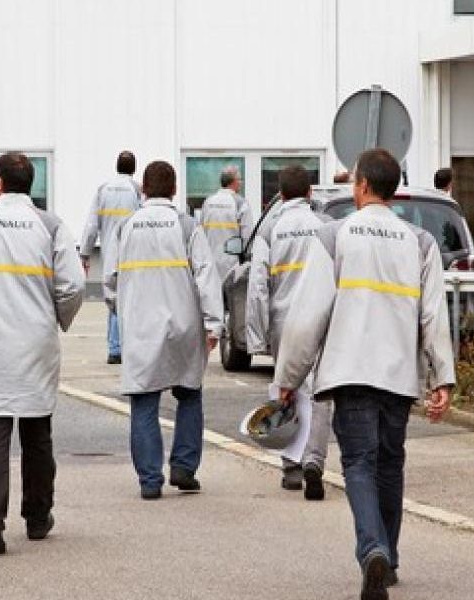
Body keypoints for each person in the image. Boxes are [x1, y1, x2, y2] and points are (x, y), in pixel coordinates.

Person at [275, 149, 455, 600]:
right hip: (398, 375)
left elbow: (307, 317)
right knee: (391, 464)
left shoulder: (333, 236)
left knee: (359, 462)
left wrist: (288, 378)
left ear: (362, 186)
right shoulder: (420, 242)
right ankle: (387, 558)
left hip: (349, 371)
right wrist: (442, 378)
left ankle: (372, 548)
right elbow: (434, 316)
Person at [0, 152, 85, 557]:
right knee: (37, 432)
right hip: (36, 342)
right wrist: (57, 318)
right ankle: (38, 517)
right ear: (30, 184)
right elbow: (74, 286)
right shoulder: (51, 226)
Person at [106, 160, 223, 500]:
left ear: (143, 189)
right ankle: (184, 467)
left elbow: (110, 280)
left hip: (141, 328)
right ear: (174, 189)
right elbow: (206, 277)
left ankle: (150, 480)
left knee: (144, 400)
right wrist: (213, 324)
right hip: (183, 325)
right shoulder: (187, 226)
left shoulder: (126, 227)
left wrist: (122, 310)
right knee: (189, 393)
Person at [245, 165, 331, 501]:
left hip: (284, 321)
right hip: (321, 318)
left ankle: (292, 465)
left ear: (280, 195)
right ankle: (314, 461)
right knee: (320, 393)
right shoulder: (326, 227)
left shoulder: (271, 230)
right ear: (310, 193)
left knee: (286, 390)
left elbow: (257, 286)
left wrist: (256, 335)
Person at [80, 151, 142, 365]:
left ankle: (115, 348)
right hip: (133, 253)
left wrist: (85, 253)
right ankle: (125, 346)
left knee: (113, 297)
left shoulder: (103, 189)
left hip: (109, 253)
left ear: (117, 167)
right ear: (134, 169)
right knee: (129, 298)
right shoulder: (137, 190)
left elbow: (91, 225)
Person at [197, 165, 253, 281]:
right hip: (232, 266)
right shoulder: (241, 203)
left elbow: (200, 233)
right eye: (240, 179)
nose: (241, 183)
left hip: (209, 264)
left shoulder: (208, 202)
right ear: (234, 182)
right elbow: (248, 239)